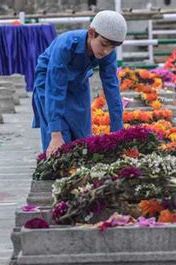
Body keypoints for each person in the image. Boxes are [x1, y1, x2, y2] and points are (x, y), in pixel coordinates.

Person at [32, 10, 127, 156]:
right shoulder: (65, 46)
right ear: (91, 33)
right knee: (60, 145)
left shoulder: (107, 53)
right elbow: (55, 88)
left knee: (82, 136)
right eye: (104, 45)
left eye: (112, 48)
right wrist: (56, 134)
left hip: (78, 81)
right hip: (49, 81)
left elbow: (112, 88)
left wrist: (118, 132)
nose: (106, 51)